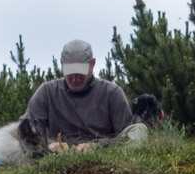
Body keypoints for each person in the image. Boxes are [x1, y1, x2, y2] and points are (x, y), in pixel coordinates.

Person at [18, 39, 146, 153]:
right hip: (55, 156)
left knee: (139, 130)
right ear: (62, 64)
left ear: (93, 64)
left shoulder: (112, 93)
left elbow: (125, 135)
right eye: (70, 73)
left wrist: (99, 145)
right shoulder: (47, 92)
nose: (75, 79)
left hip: (106, 156)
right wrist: (48, 145)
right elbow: (26, 129)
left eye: (80, 73)